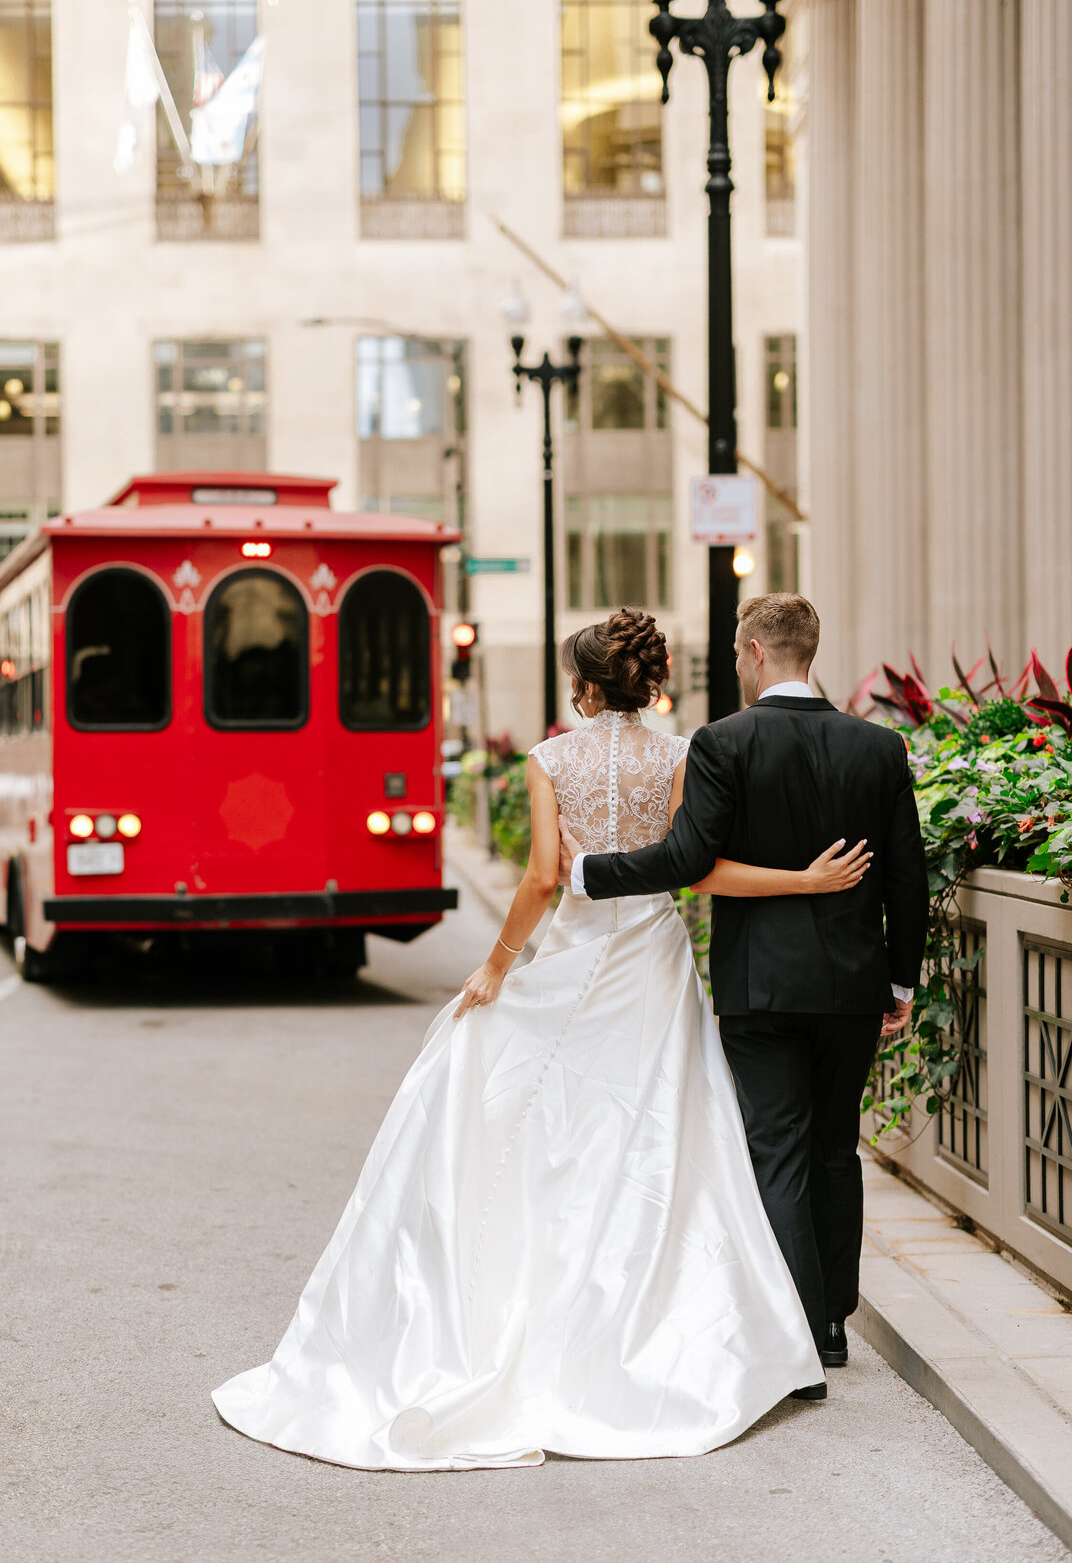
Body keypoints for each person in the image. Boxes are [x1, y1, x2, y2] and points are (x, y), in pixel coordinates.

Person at [212, 608, 873, 1470]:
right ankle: (672, 1316)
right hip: (651, 959)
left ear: (586, 685)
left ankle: (531, 1299)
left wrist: (496, 965)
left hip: (576, 949)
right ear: (646, 679)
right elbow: (695, 868)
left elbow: (542, 877)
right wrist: (803, 880)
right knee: (661, 1134)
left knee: (542, 1119)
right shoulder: (681, 754)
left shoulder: (549, 760)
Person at [560, 593, 928, 1380]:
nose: (735, 663)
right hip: (854, 988)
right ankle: (831, 1323)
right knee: (835, 1147)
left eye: (735, 651)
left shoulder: (724, 743)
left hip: (760, 987)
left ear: (757, 652)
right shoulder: (880, 747)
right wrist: (901, 980)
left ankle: (792, 1332)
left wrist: (591, 872)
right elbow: (908, 877)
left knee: (777, 1149)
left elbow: (686, 859)